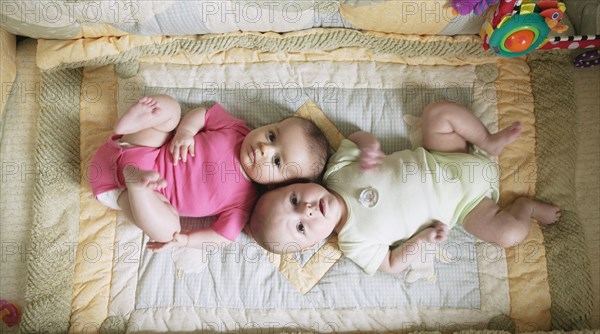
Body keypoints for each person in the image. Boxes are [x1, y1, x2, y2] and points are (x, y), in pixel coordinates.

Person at [250, 101, 561, 275]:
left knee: (437, 113)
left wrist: (368, 144)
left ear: (300, 183)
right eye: (302, 227)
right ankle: (526, 208)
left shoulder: (335, 172)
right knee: (508, 234)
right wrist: (423, 240)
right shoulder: (353, 243)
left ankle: (487, 142)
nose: (305, 210)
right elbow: (391, 264)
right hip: (467, 206)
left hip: (444, 155)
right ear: (311, 245)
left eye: (293, 199)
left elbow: (355, 139)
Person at [89, 94, 328, 250]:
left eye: (276, 161)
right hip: (145, 148)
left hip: (126, 190)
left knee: (168, 230)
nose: (265, 148)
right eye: (272, 136)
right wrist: (185, 132)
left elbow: (220, 237)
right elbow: (203, 114)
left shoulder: (243, 204)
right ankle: (129, 124)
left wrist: (186, 241)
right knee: (172, 113)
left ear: (278, 185)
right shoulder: (237, 129)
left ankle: (137, 186)